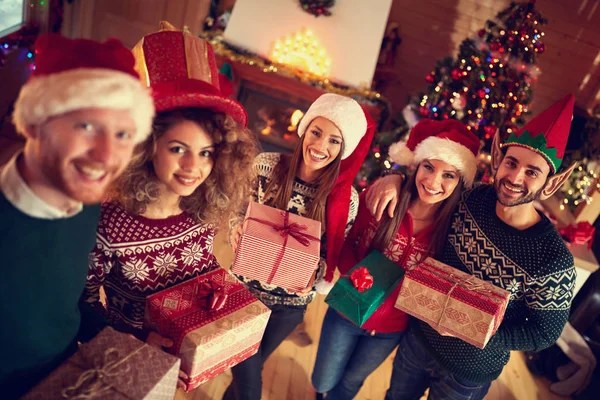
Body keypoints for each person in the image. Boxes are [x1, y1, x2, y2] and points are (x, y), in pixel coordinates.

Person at [367, 95, 578, 400]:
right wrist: (395, 177)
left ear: (551, 183)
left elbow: (544, 333)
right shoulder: (470, 198)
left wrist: (479, 332)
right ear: (497, 160)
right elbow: (429, 185)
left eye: (532, 172)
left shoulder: (553, 261)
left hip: (468, 372)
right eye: (512, 163)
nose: (516, 177)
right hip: (418, 341)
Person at [81, 25, 257, 347]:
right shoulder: (108, 224)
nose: (193, 168)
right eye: (178, 149)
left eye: (206, 153)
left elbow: (202, 272)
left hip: (188, 350)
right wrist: (138, 340)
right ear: (146, 146)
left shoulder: (202, 207)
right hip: (132, 358)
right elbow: (84, 307)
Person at [0, 34, 155, 398]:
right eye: (86, 126)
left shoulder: (86, 204)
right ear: (36, 122)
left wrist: (129, 339)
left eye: (122, 134)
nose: (106, 155)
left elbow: (63, 306)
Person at [312, 119, 480, 399]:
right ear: (416, 166)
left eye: (448, 175)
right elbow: (345, 240)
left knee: (351, 383)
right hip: (346, 310)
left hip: (391, 330)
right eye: (428, 167)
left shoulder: (454, 230)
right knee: (323, 380)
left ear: (460, 180)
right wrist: (356, 273)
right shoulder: (383, 198)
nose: (434, 181)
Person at [224, 93, 375, 400]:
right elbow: (237, 210)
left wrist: (314, 274)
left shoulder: (347, 201)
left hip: (289, 307)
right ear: (304, 129)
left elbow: (329, 258)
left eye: (334, 141)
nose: (321, 146)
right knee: (248, 376)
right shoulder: (265, 166)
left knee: (248, 370)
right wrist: (235, 229)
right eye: (317, 132)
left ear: (343, 150)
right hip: (243, 293)